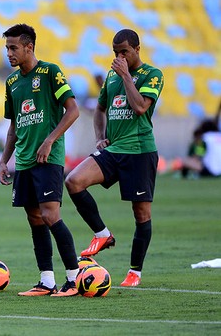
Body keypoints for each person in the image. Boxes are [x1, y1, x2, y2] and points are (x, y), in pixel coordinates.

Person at [64, 29, 164, 287]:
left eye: (124, 52)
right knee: (74, 181)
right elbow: (99, 109)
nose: (119, 57)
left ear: (137, 50)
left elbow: (140, 107)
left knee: (141, 214)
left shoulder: (152, 75)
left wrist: (126, 76)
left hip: (140, 152)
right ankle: (102, 234)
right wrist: (100, 136)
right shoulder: (111, 76)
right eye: (115, 52)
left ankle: (134, 272)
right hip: (115, 149)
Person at [0, 23, 81, 297]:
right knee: (34, 218)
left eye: (13, 47)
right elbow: (14, 125)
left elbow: (73, 110)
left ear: (29, 46)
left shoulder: (50, 72)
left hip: (48, 158)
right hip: (23, 161)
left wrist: (49, 140)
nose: (8, 53)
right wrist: (4, 160)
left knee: (49, 214)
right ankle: (46, 281)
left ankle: (73, 278)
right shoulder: (11, 82)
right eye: (6, 47)